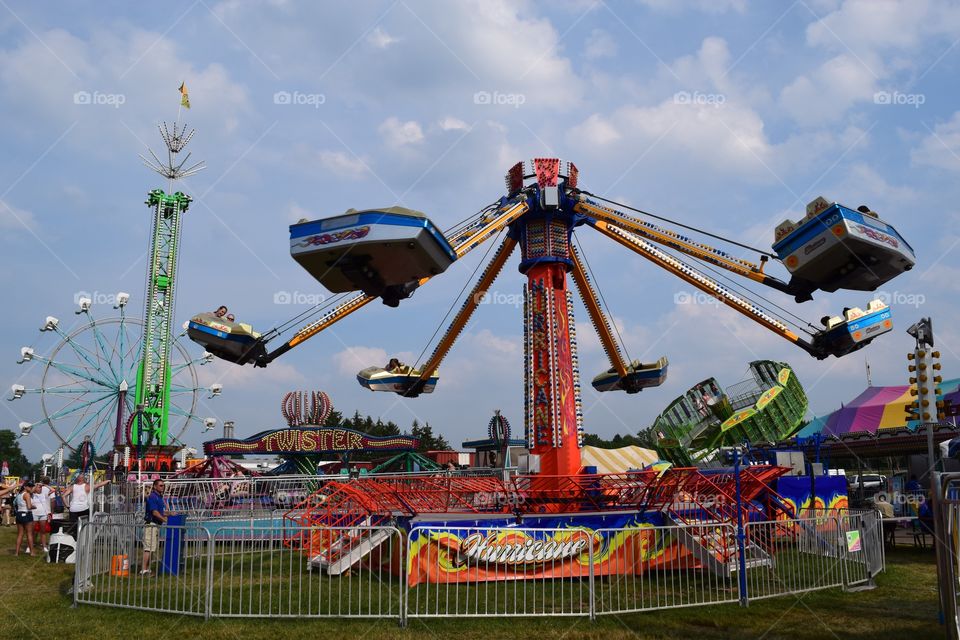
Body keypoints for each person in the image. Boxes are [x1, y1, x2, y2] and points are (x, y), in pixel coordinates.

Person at [142, 479, 167, 575]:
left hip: (156, 525)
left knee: (152, 548)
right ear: (155, 486)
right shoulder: (152, 497)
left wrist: (170, 514)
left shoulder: (159, 497)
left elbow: (161, 512)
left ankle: (147, 569)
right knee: (148, 548)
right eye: (161, 485)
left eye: (163, 485)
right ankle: (144, 570)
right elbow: (154, 512)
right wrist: (165, 520)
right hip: (151, 524)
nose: (163, 487)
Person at [32, 477, 53, 553]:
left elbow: (53, 490)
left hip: (43, 514)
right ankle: (30, 545)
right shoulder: (32, 495)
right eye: (38, 488)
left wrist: (44, 485)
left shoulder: (45, 494)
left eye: (40, 488)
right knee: (32, 531)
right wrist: (36, 485)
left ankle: (44, 546)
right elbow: (31, 490)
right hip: (34, 514)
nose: (40, 489)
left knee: (43, 531)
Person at [13, 481, 35, 556]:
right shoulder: (27, 494)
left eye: (31, 486)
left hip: (19, 514)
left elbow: (15, 504)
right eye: (29, 486)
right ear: (25, 486)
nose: (31, 488)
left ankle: (16, 552)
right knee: (29, 534)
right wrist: (34, 506)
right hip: (27, 514)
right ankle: (32, 552)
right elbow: (29, 507)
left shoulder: (19, 494)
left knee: (20, 534)